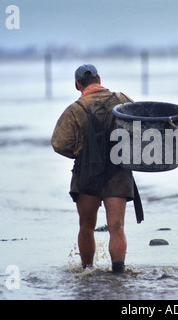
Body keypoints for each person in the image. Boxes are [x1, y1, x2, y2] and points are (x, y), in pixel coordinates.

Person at [51, 64, 136, 273]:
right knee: (116, 227)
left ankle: (87, 271)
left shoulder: (74, 110)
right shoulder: (122, 100)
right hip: (117, 169)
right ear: (99, 79)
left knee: (86, 227)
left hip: (86, 172)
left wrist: (81, 152)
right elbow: (140, 126)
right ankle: (118, 272)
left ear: (77, 84)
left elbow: (59, 143)